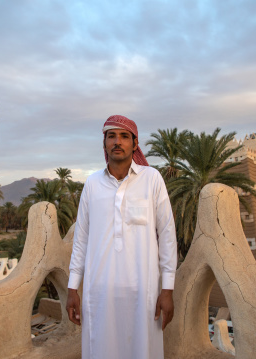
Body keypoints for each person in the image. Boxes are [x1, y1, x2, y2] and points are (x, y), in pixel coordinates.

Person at [66, 115, 178, 359]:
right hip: (99, 292)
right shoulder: (92, 184)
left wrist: (167, 290)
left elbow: (167, 234)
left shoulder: (152, 179)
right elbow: (81, 239)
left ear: (135, 144)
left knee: (142, 351)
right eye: (111, 136)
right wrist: (72, 288)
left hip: (144, 291)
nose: (117, 142)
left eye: (124, 136)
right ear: (104, 143)